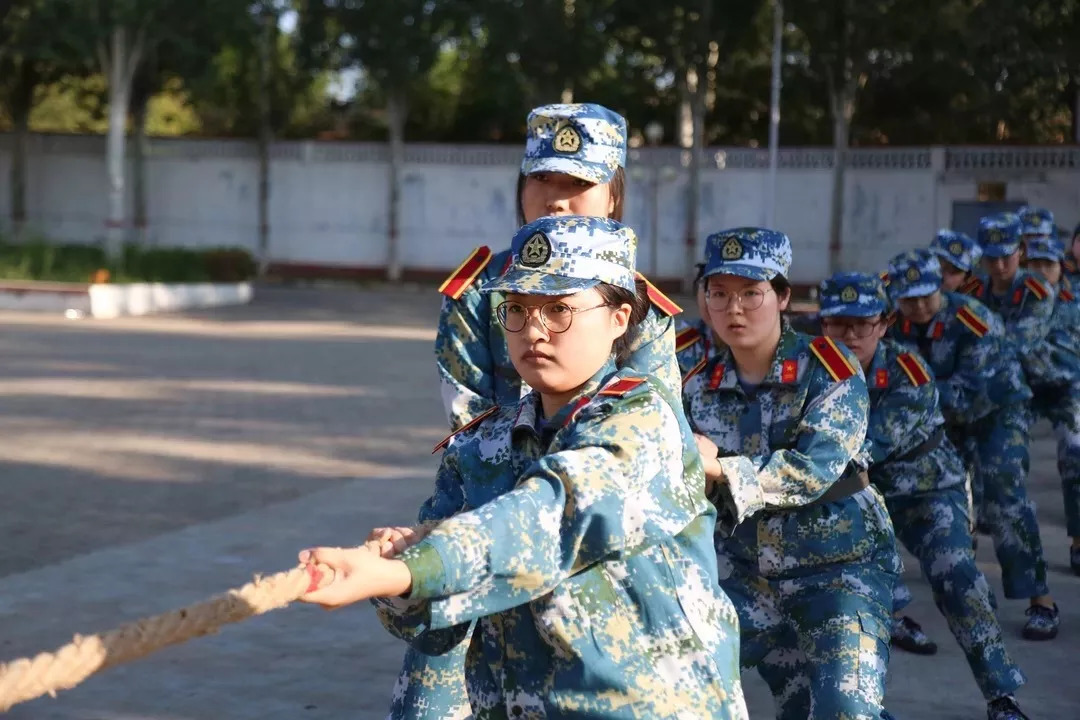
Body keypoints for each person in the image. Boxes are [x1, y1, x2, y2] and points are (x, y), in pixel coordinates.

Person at [300, 216, 748, 719]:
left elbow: (552, 512)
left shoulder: (645, 422)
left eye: (559, 309)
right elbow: (436, 623)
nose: (533, 330)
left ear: (620, 318)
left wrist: (411, 568)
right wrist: (393, 574)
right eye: (516, 308)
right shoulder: (482, 443)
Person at [412, 102, 684, 719]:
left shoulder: (634, 304)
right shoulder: (480, 292)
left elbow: (644, 433)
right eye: (544, 182)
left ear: (612, 196)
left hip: (597, 546)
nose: (557, 200)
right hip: (485, 518)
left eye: (577, 185)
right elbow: (473, 427)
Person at [685, 228, 898, 719]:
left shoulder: (831, 367)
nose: (733, 309)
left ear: (782, 296)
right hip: (747, 573)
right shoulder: (696, 381)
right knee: (687, 686)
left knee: (844, 708)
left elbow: (812, 468)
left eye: (751, 293)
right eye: (720, 294)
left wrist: (718, 465)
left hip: (841, 567)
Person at [819, 272, 1029, 720]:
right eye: (838, 323)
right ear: (822, 325)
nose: (851, 334)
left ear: (883, 324)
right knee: (835, 597)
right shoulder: (811, 369)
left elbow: (858, 450)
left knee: (960, 579)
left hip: (924, 492)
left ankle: (1001, 696)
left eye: (863, 323)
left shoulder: (908, 374)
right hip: (855, 496)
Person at [887, 249, 1060, 641]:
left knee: (1004, 494)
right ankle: (964, 595)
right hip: (944, 420)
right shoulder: (893, 323)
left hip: (996, 413)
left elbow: (968, 394)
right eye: (907, 297)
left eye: (924, 296)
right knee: (929, 496)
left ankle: (1041, 600)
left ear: (940, 288)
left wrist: (909, 394)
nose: (916, 306)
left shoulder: (973, 320)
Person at [1019, 233, 1080, 575]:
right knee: (1001, 458)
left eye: (1048, 264)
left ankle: (1078, 541)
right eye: (1034, 265)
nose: (1041, 272)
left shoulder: (1074, 298)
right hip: (1023, 390)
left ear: (1062, 266)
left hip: (1066, 390)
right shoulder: (1013, 297)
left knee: (1075, 453)